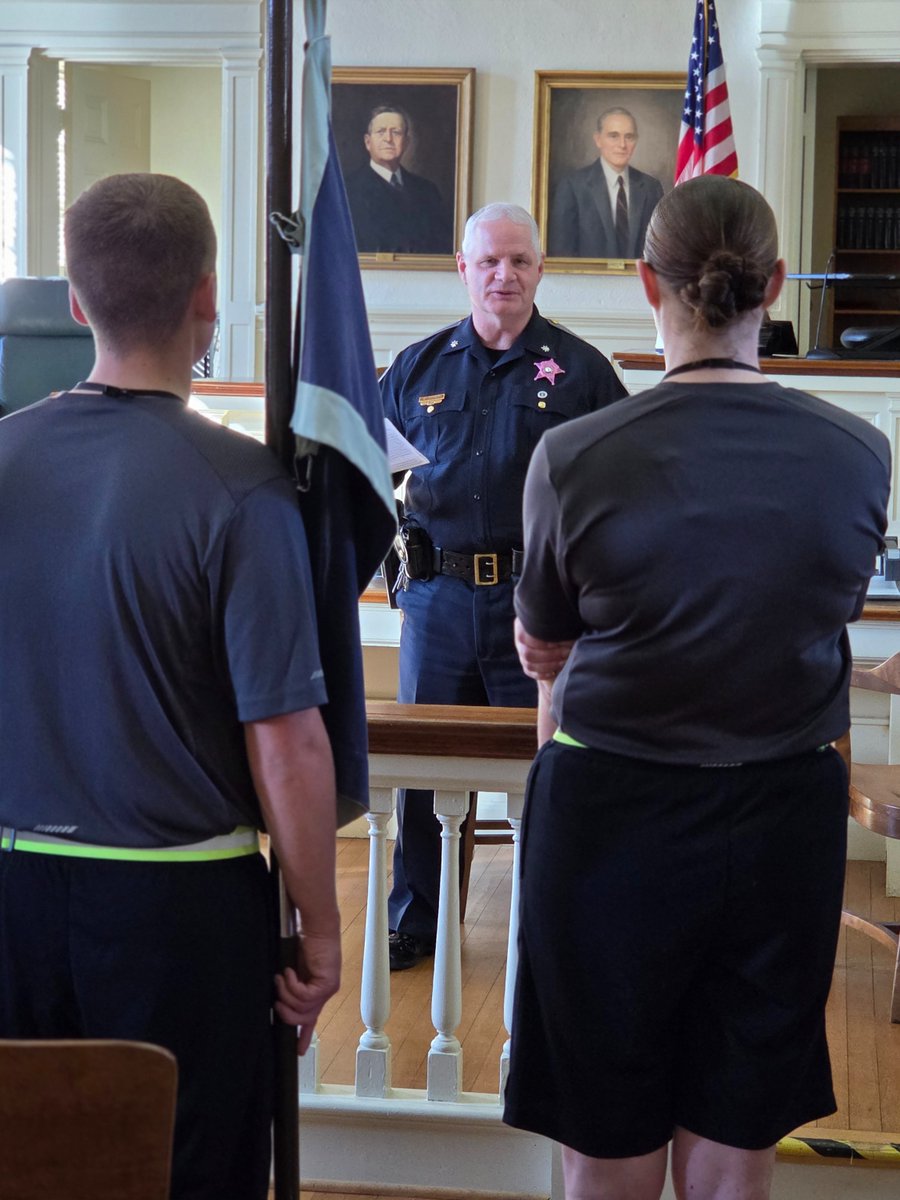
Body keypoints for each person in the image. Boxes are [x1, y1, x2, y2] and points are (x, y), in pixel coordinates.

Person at [503, 176, 890, 1200]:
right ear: (773, 284)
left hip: (611, 820)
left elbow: (542, 648)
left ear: (646, 284)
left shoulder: (575, 455)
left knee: (609, 1142)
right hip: (780, 817)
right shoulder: (860, 454)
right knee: (733, 1152)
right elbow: (824, 611)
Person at [0, 174, 341, 1200]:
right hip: (177, 906)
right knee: (182, 1177)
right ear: (207, 297)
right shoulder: (243, 492)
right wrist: (321, 927)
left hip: (12, 888)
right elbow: (285, 738)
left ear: (74, 299)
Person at [382, 201, 627, 971]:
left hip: (540, 605)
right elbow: (368, 481)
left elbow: (619, 493)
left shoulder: (583, 372)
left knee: (546, 771)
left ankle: (549, 922)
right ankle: (418, 922)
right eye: (488, 261)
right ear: (463, 270)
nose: (504, 275)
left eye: (519, 261)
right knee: (420, 772)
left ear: (540, 269)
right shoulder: (414, 369)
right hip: (440, 600)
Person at [548, 106, 664, 259]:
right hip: (586, 280)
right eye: (613, 136)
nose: (622, 145)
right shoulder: (572, 186)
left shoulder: (651, 187)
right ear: (598, 139)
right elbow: (561, 252)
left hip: (637, 281)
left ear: (636, 140)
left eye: (629, 136)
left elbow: (660, 251)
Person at [345, 104, 453, 254]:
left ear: (406, 142)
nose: (388, 139)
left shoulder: (427, 191)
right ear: (368, 142)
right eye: (381, 132)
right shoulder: (348, 190)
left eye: (396, 132)